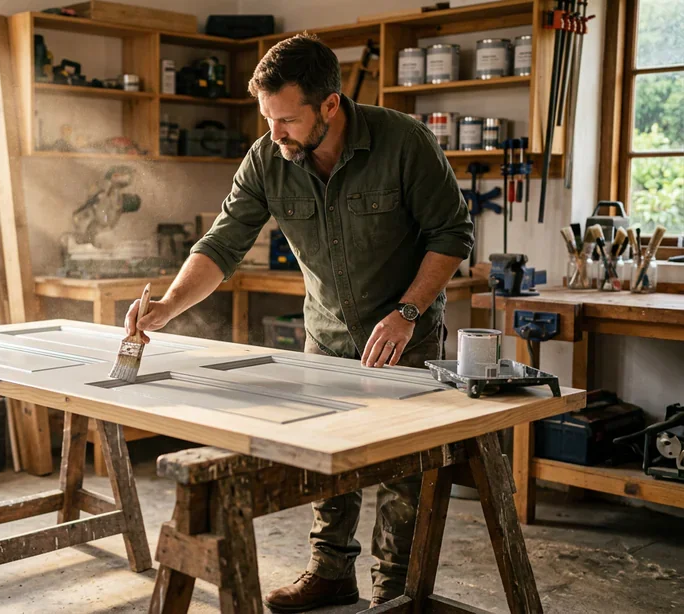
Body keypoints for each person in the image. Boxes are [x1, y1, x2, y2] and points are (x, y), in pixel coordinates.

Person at [123, 34, 474, 610]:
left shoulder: (403, 142)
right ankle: (331, 571)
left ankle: (395, 589)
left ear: (330, 106)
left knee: (399, 474)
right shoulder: (268, 157)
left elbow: (453, 233)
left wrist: (408, 313)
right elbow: (224, 243)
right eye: (268, 119)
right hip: (327, 331)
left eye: (286, 120)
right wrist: (166, 307)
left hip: (405, 334)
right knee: (326, 459)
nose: (275, 133)